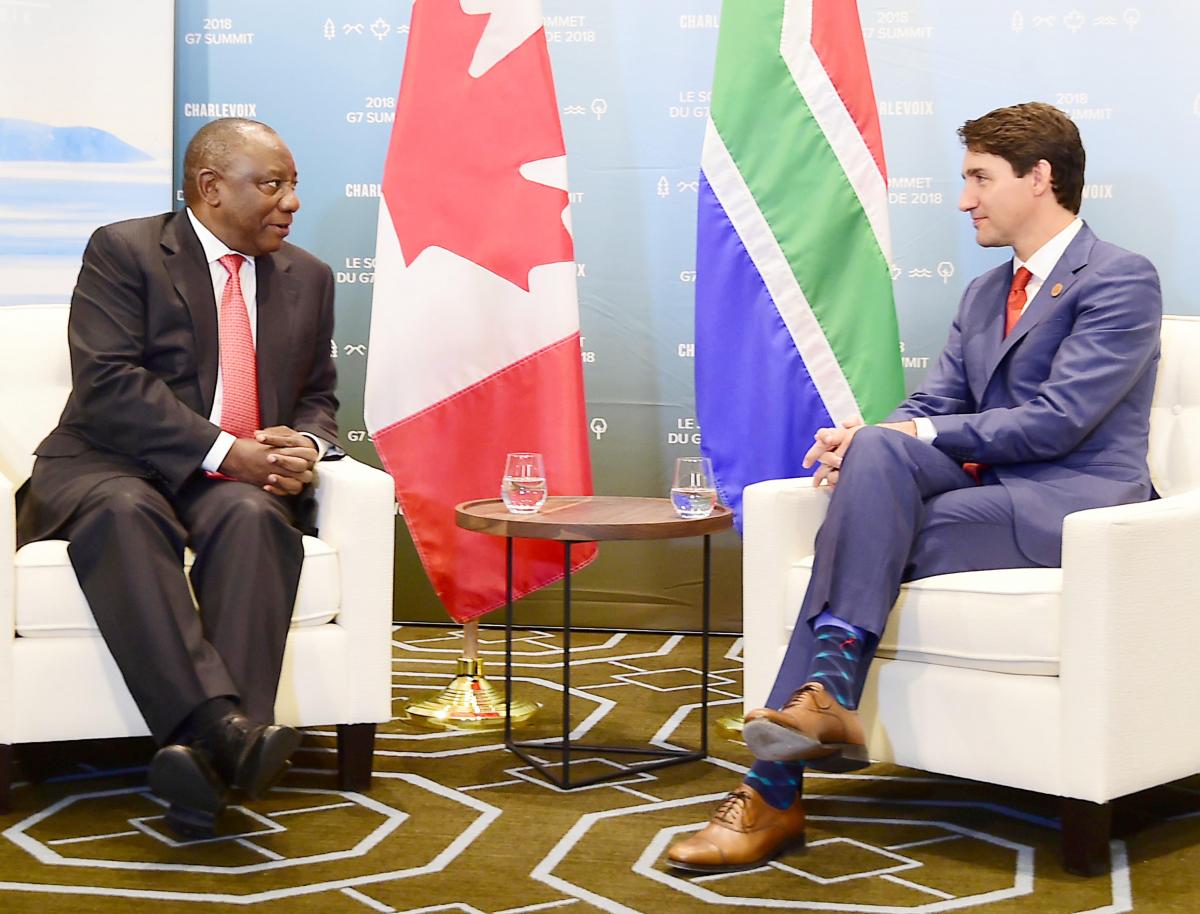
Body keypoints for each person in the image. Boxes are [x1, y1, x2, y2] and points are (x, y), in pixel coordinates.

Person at [668, 101, 1162, 872]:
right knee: (874, 461)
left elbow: (1059, 422)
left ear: (1039, 178)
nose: (964, 200)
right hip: (984, 489)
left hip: (1073, 504)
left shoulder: (1122, 279)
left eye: (978, 178)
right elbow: (933, 407)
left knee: (859, 535)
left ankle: (774, 789)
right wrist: (866, 443)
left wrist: (904, 440)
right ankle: (821, 708)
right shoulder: (981, 295)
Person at [16, 118, 339, 839]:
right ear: (210, 188)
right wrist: (227, 450)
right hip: (108, 462)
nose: (290, 201)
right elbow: (107, 383)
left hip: (229, 480)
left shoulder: (309, 277)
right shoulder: (125, 250)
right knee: (126, 513)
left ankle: (200, 757)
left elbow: (319, 392)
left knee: (256, 521)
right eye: (271, 184)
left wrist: (306, 446)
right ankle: (230, 732)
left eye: (293, 185)